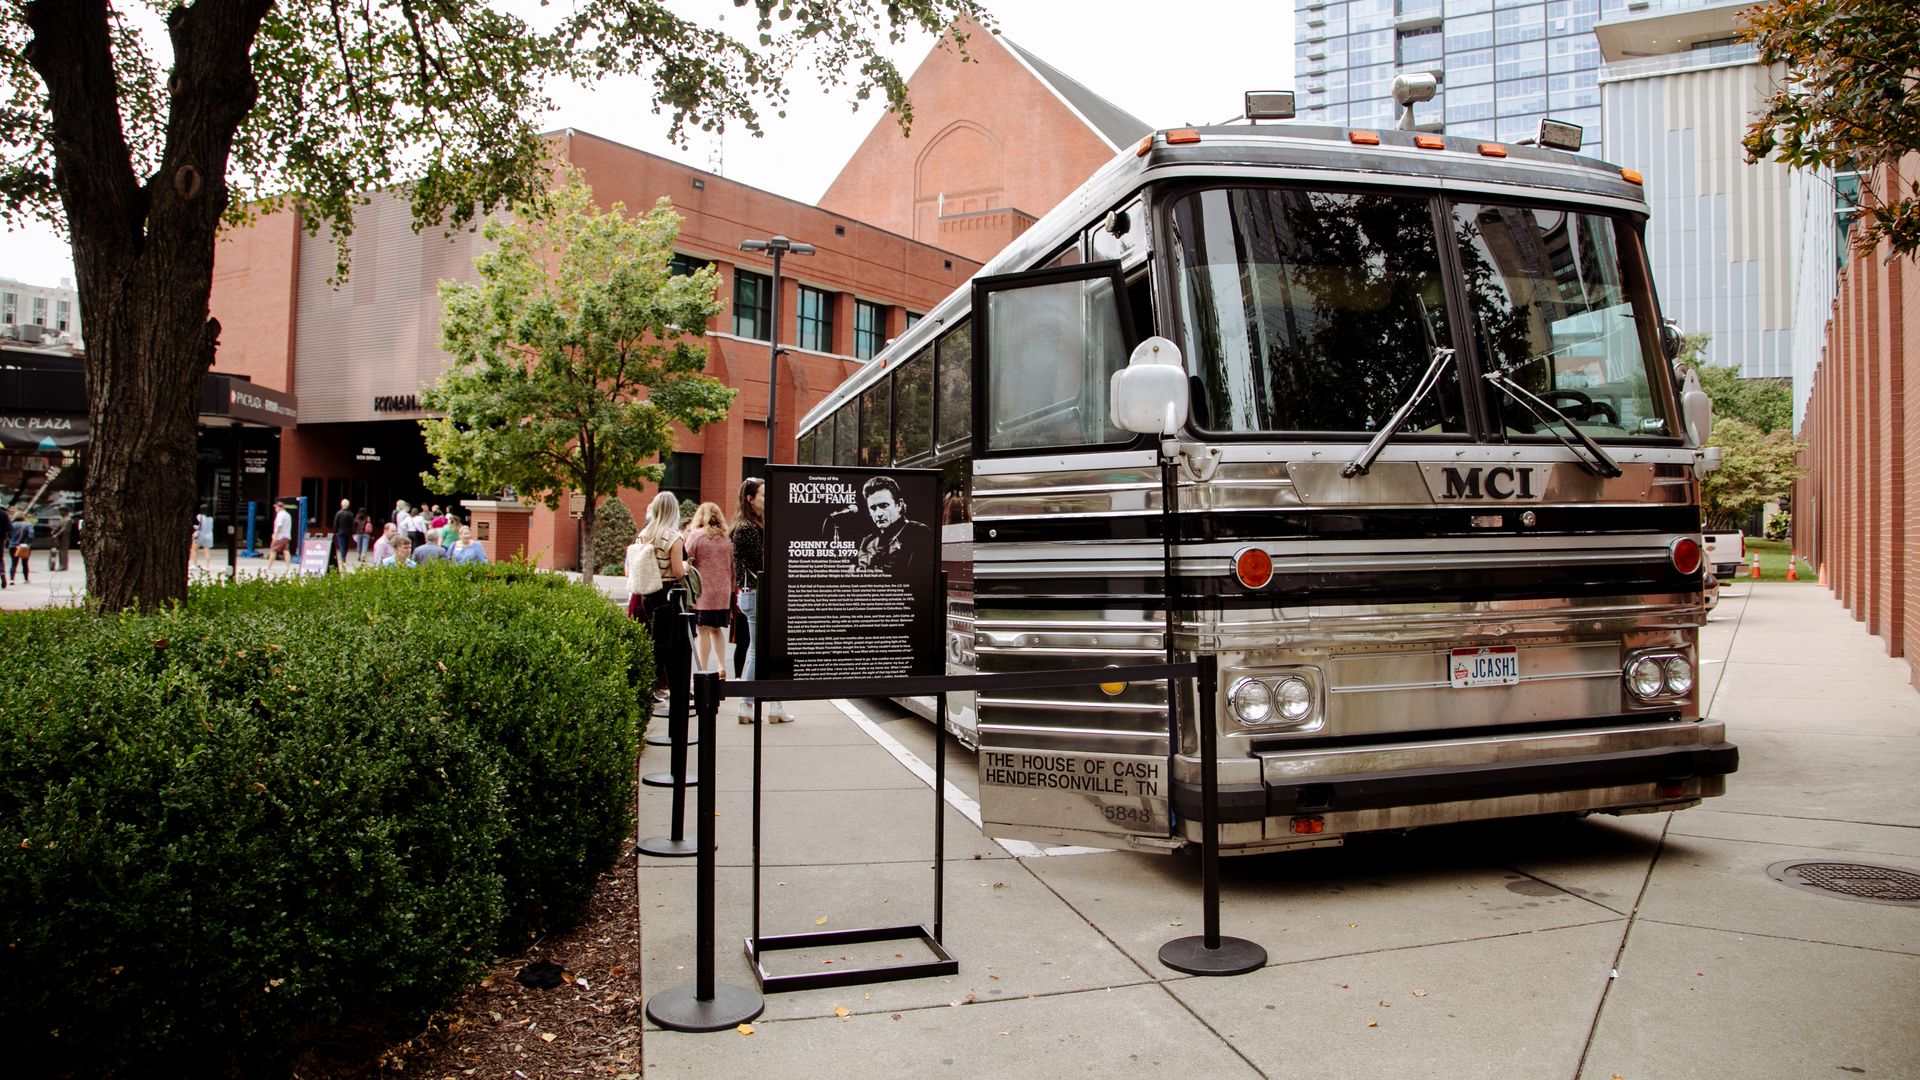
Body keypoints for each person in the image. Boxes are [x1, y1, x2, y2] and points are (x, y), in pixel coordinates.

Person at [729, 478, 787, 722]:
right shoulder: (747, 529)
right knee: (757, 651)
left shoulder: (754, 526)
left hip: (755, 594)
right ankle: (751, 704)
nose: (768, 499)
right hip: (756, 593)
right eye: (764, 495)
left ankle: (770, 705)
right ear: (750, 499)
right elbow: (764, 562)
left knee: (762, 650)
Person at [637, 492, 692, 740]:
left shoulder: (644, 534)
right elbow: (679, 571)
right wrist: (689, 566)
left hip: (648, 595)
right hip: (668, 594)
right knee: (666, 648)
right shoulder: (673, 536)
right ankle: (652, 691)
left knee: (658, 643)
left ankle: (662, 689)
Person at [683, 502, 735, 679]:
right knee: (716, 629)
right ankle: (721, 666)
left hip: (704, 590)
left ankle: (703, 669)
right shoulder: (727, 539)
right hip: (723, 591)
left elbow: (686, 560)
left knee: (702, 629)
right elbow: (732, 567)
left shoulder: (696, 536)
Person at [854, 475, 932, 576]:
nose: (878, 513)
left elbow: (914, 577)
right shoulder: (867, 541)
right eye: (873, 508)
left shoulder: (919, 533)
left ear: (899, 505)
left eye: (884, 506)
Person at [266, 499, 294, 576]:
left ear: (280, 507)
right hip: (287, 536)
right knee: (286, 551)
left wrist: (275, 534)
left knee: (273, 550)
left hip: (280, 537)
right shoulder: (288, 515)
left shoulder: (280, 515)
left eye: (276, 507)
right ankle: (288, 568)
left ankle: (269, 568)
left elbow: (279, 525)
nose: (275, 509)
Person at [331, 498, 355, 573]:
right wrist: (352, 531)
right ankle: (343, 557)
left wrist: (334, 531)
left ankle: (343, 558)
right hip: (347, 532)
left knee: (341, 545)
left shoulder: (338, 513)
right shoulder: (350, 514)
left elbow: (336, 523)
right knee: (346, 546)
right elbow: (352, 524)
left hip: (340, 532)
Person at [191, 501, 215, 573]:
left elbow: (198, 526)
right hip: (209, 535)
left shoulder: (199, 516)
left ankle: (194, 564)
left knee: (194, 549)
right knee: (207, 551)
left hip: (200, 534)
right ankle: (207, 566)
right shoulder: (211, 519)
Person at [7, 510, 30, 584]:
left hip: (13, 546)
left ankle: (12, 579)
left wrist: (11, 541)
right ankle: (26, 579)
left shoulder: (12, 525)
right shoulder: (28, 525)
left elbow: (8, 534)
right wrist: (27, 542)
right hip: (23, 546)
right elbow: (31, 535)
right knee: (25, 563)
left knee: (13, 563)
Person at [47, 507, 70, 573]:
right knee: (60, 552)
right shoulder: (62, 519)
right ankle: (61, 564)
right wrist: (54, 531)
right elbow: (59, 527)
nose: (60, 513)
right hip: (60, 538)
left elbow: (64, 529)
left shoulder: (68, 520)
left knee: (63, 552)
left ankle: (63, 565)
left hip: (65, 538)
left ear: (66, 512)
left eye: (61, 511)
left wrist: (56, 535)